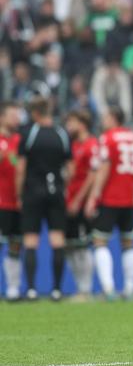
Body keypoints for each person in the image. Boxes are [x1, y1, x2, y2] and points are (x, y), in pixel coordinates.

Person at [85, 106, 133, 301]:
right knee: (128, 243)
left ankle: (108, 288)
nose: (103, 121)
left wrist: (94, 196)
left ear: (113, 118)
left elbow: (104, 169)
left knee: (100, 242)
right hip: (129, 198)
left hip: (110, 198)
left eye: (105, 117)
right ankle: (130, 289)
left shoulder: (107, 138)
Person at [16, 97, 72, 301]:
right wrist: (61, 187)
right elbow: (70, 169)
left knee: (31, 241)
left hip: (33, 192)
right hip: (56, 192)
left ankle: (31, 290)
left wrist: (19, 193)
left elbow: (21, 168)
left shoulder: (29, 134)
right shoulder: (61, 134)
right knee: (58, 240)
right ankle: (57, 290)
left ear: (35, 114)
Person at [64, 110, 99, 301]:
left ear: (82, 123)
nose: (68, 126)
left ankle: (86, 289)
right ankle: (80, 288)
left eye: (72, 122)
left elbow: (92, 176)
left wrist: (79, 199)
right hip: (69, 201)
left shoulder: (91, 144)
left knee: (83, 245)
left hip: (82, 202)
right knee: (70, 245)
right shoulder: (73, 145)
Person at [0, 101, 23, 300]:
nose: (17, 118)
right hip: (1, 202)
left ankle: (13, 289)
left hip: (17, 202)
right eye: (12, 114)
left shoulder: (19, 140)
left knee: (16, 244)